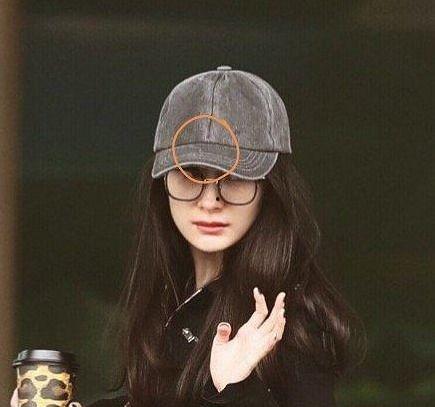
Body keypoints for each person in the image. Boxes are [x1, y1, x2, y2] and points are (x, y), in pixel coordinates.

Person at [10, 66, 366, 407]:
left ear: (269, 190)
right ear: (162, 183)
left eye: (234, 178)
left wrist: (232, 390)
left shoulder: (288, 320)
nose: (209, 201)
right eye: (189, 174)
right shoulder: (173, 293)